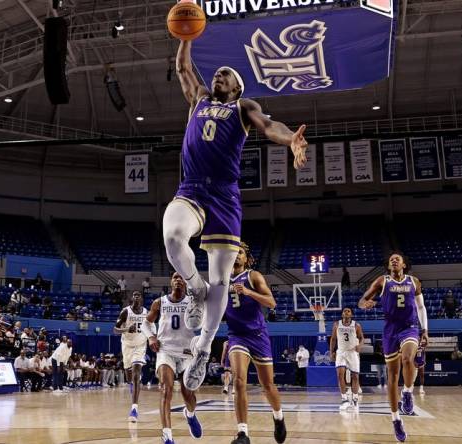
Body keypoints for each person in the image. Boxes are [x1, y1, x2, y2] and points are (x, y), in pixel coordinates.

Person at [165, 38, 308, 394]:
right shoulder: (198, 98)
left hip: (225, 198)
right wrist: (186, 37)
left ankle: (202, 349)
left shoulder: (244, 107)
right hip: (193, 188)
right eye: (217, 74)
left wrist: (291, 140)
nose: (219, 77)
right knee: (172, 235)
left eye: (226, 75)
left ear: (238, 87)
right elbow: (183, 67)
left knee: (221, 281)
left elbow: (269, 127)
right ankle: (194, 289)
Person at [359, 252, 428, 443]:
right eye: (391, 260)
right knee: (392, 377)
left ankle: (407, 392)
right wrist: (366, 303)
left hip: (410, 327)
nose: (394, 260)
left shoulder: (414, 281)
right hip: (390, 330)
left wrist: (426, 330)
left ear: (404, 264)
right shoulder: (382, 281)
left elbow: (421, 308)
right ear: (389, 266)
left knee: (407, 358)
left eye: (397, 259)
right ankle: (396, 420)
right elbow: (362, 299)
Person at [221, 242, 286, 444]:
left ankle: (278, 417)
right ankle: (243, 433)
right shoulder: (221, 280)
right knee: (239, 381)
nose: (236, 255)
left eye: (240, 252)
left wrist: (249, 293)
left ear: (246, 258)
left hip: (257, 335)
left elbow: (272, 303)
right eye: (233, 253)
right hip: (236, 335)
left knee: (267, 385)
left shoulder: (253, 276)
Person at [140, 272, 203, 444]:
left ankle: (190, 415)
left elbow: (203, 324)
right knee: (165, 390)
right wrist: (151, 337)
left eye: (182, 278)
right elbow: (145, 323)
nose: (178, 280)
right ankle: (167, 436)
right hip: (165, 350)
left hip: (186, 352)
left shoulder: (192, 303)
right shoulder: (160, 302)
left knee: (187, 393)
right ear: (170, 282)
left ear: (186, 284)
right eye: (175, 277)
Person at [113, 290, 148, 422]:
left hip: (140, 345)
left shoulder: (146, 312)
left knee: (136, 373)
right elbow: (115, 330)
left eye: (139, 295)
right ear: (132, 298)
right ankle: (132, 384)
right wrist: (127, 329)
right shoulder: (125, 312)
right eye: (135, 295)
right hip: (127, 345)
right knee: (129, 376)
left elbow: (150, 327)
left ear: (142, 299)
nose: (137, 296)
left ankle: (134, 409)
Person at [329, 307, 364, 410]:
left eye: (349, 311)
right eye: (345, 311)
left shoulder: (356, 325)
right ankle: (344, 399)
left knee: (355, 376)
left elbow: (361, 337)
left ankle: (355, 399)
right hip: (341, 352)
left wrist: (360, 346)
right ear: (342, 314)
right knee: (340, 375)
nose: (346, 312)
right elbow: (333, 339)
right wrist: (332, 352)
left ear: (351, 314)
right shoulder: (336, 324)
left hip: (352, 352)